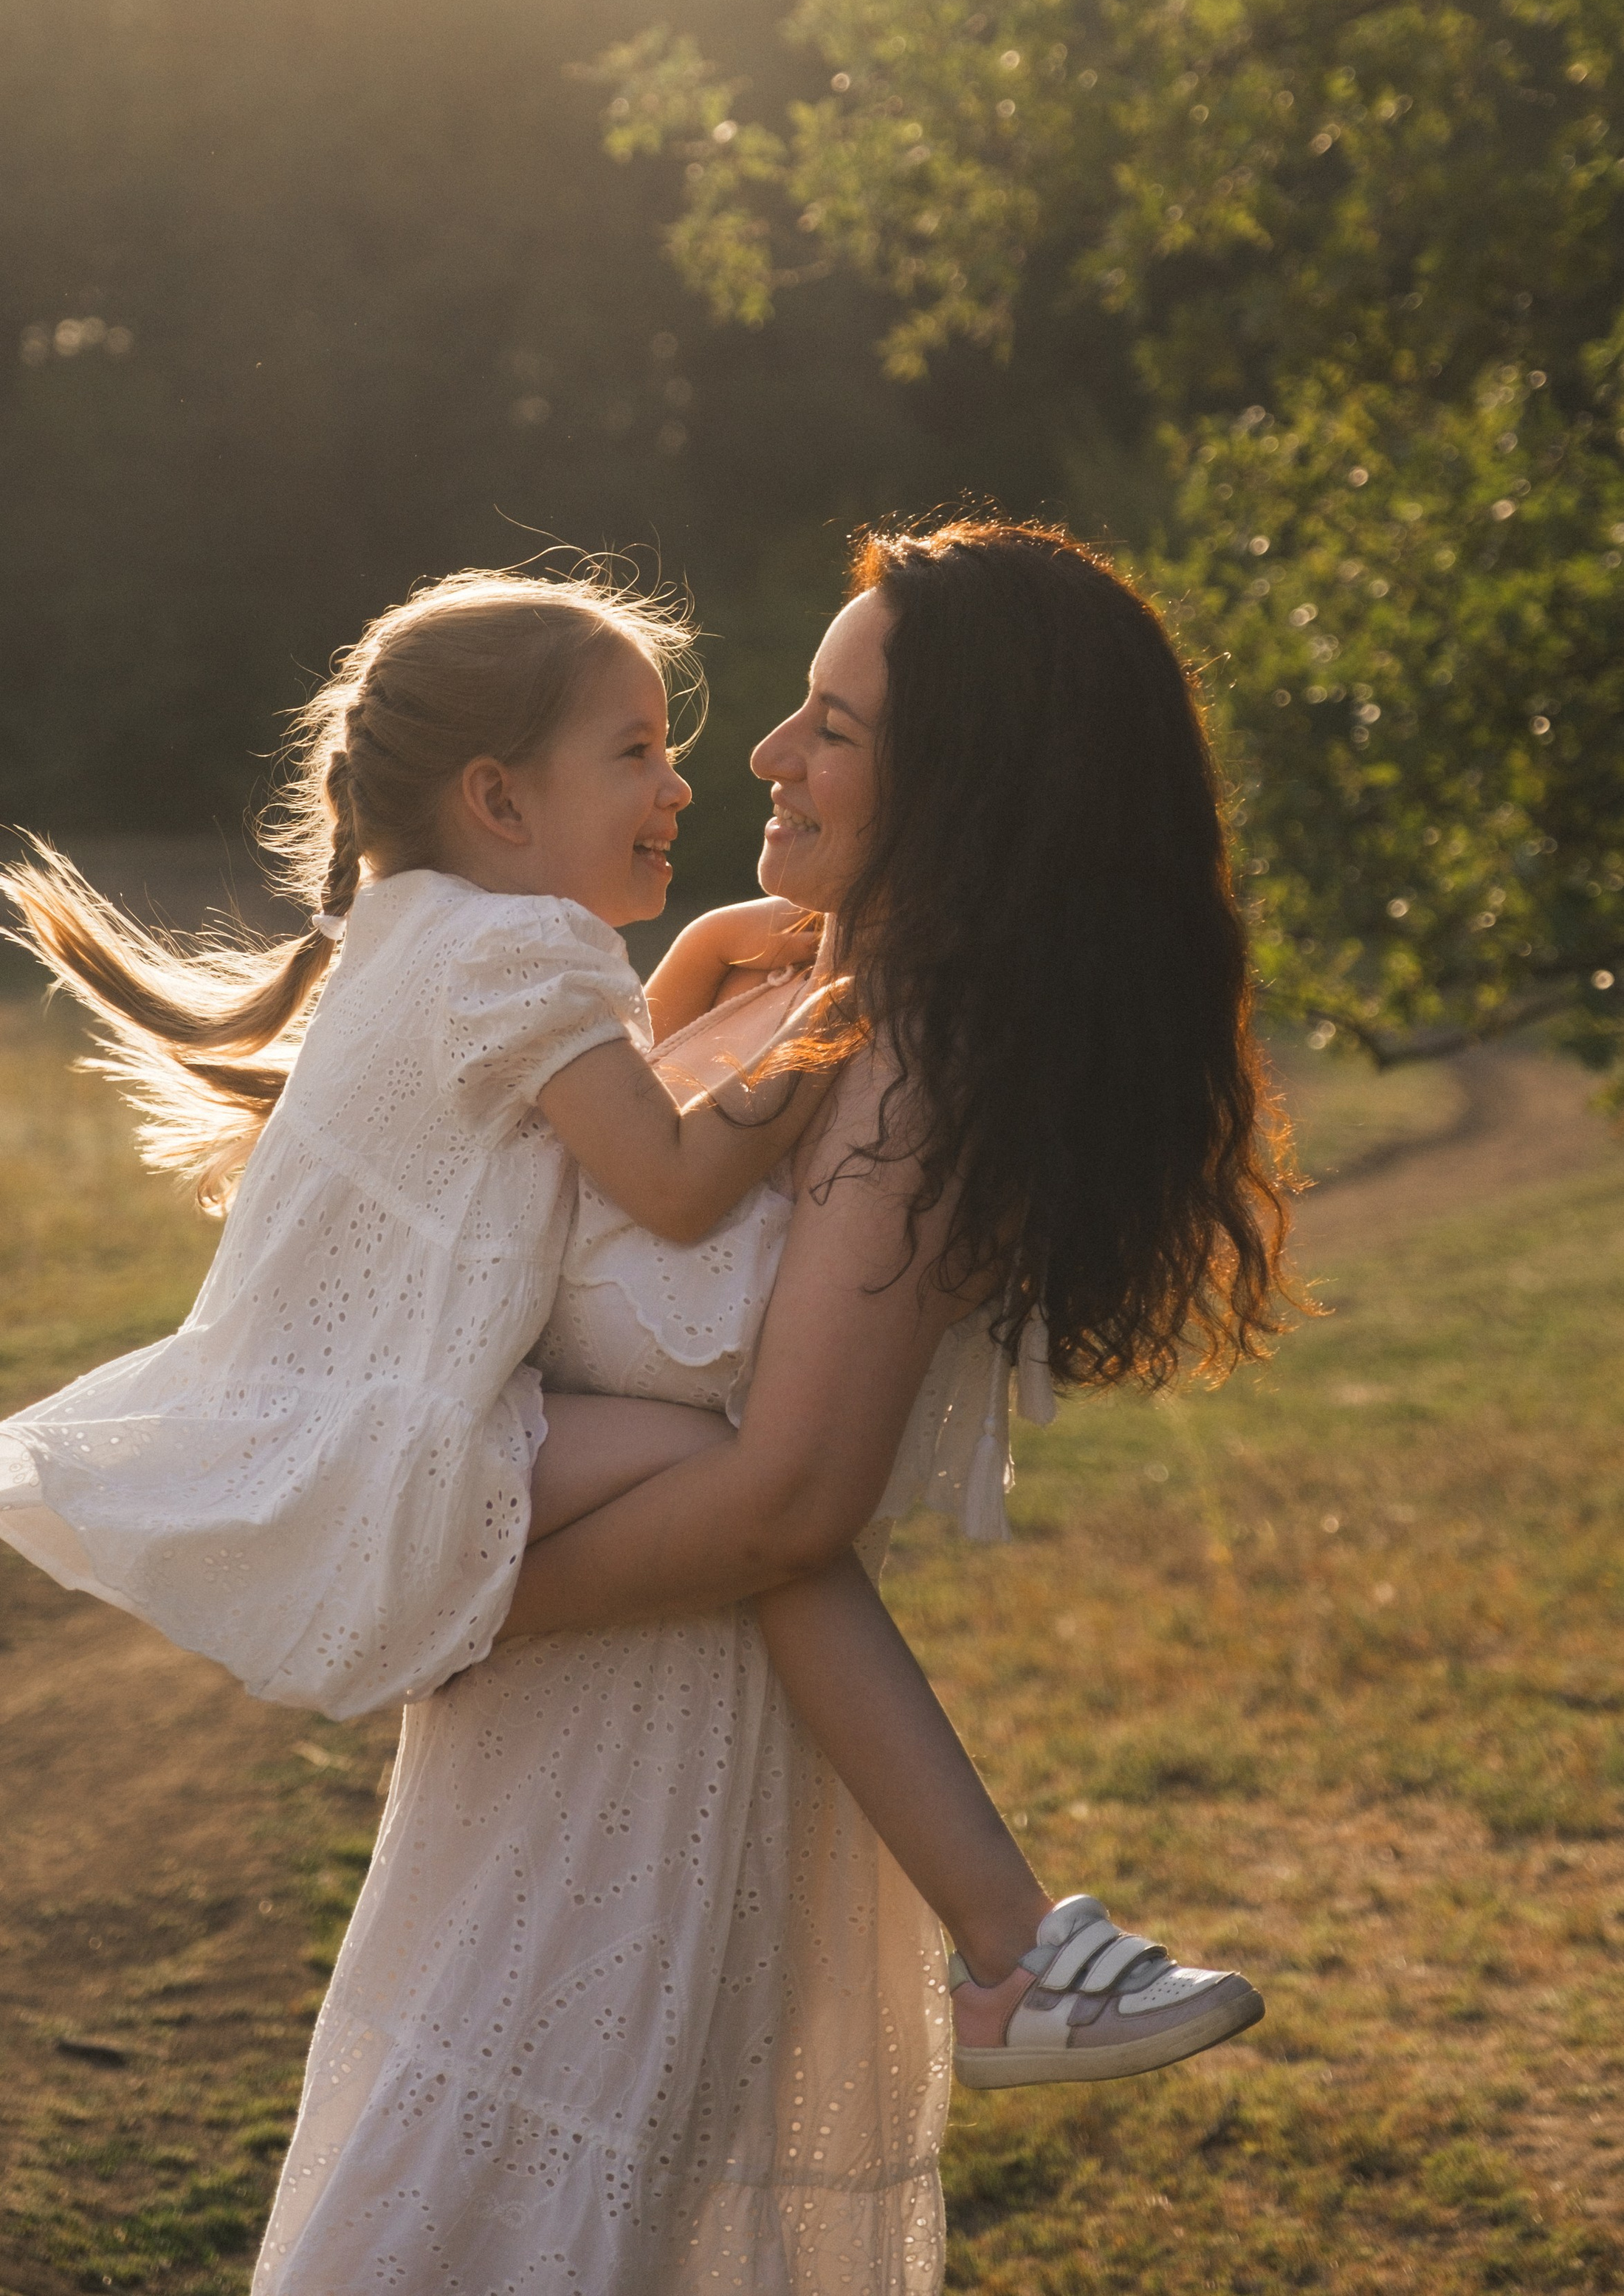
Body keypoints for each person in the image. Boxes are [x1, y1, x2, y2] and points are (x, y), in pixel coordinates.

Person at [0, 558, 1245, 2092]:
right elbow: (657, 1185)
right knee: (738, 1494)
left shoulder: (437, 934)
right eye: (638, 751)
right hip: (416, 1479)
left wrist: (722, 966)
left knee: (756, 1509)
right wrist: (818, 1025)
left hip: (379, 1474)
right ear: (502, 804)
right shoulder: (532, 955)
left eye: (824, 725)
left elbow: (551, 1142)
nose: (728, 765)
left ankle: (1009, 1946)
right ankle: (1007, 1942)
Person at [251, 518, 1293, 2292]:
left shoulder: (914, 1066)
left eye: (831, 724)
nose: (760, 755)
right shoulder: (765, 978)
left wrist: (442, 1600)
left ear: (966, 790)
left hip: (650, 1795)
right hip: (514, 1786)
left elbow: (793, 1503)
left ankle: (1014, 1948)